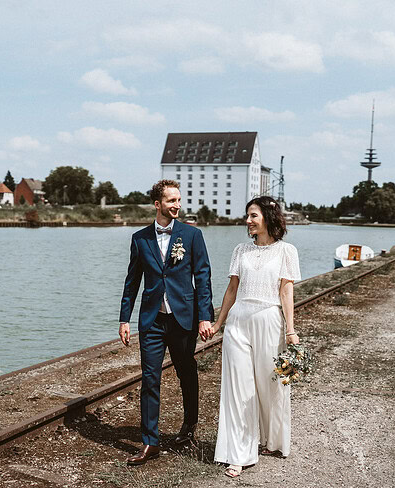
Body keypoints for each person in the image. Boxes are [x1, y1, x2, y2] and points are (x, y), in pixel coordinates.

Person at [119, 179, 214, 466]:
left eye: (178, 200)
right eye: (171, 201)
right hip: (152, 321)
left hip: (183, 319)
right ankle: (151, 442)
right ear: (157, 204)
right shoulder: (140, 238)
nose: (177, 205)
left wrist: (205, 316)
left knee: (187, 373)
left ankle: (188, 428)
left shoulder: (192, 235)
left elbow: (203, 277)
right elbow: (132, 281)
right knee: (150, 379)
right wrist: (124, 318)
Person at [210, 196, 301, 478]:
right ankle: (239, 454)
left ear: (268, 218)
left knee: (271, 385)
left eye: (253, 216)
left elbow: (286, 292)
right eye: (247, 216)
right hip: (238, 322)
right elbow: (232, 289)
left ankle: (272, 441)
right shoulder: (240, 250)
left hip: (270, 321)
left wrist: (291, 329)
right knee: (239, 389)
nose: (247, 221)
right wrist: (218, 324)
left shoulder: (287, 251)